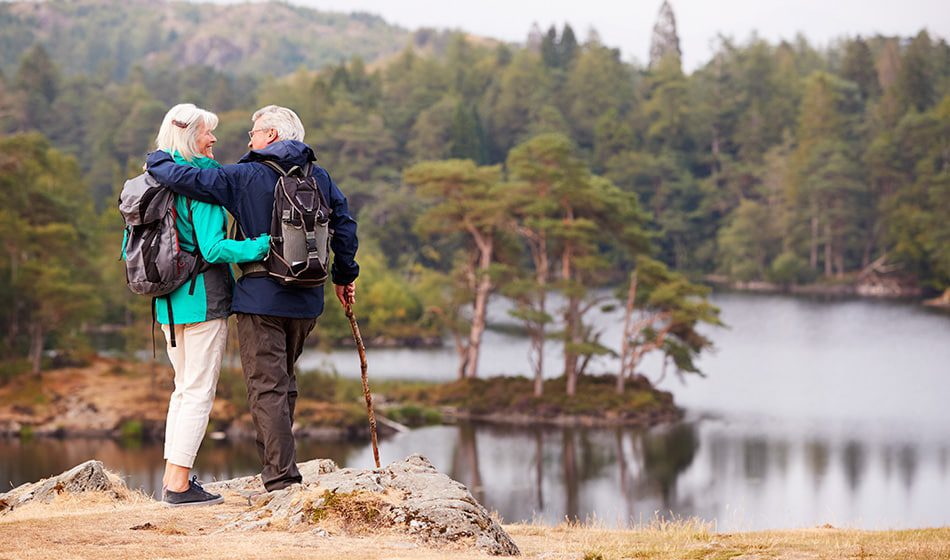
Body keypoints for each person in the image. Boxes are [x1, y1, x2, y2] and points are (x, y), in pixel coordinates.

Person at [146, 105, 359, 492]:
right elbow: (344, 227)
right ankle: (283, 469)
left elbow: (186, 178)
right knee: (286, 383)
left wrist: (157, 157)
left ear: (273, 136)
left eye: (255, 132)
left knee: (267, 388)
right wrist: (346, 277)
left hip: (260, 299)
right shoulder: (321, 177)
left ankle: (280, 479)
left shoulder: (244, 176)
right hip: (308, 300)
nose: (249, 139)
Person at [146, 103, 271, 506]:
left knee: (182, 390)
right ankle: (180, 487)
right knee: (198, 392)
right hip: (203, 299)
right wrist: (260, 246)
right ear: (189, 137)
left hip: (168, 301)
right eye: (206, 132)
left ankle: (172, 479)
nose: (214, 139)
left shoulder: (158, 180)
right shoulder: (202, 182)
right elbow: (214, 248)